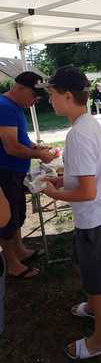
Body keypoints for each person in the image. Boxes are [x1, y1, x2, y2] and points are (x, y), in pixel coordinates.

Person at [41, 65, 101, 360]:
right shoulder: (87, 124)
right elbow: (87, 177)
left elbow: (87, 192)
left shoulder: (79, 135)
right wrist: (63, 180)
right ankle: (93, 308)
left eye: (52, 94)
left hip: (94, 217)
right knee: (88, 270)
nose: (50, 101)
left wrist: (52, 193)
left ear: (68, 95)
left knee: (98, 282)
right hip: (95, 216)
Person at [0, 72, 55, 279]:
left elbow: (20, 138)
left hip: (14, 172)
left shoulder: (13, 106)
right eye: (34, 96)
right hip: (4, 172)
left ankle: (20, 250)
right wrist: (39, 154)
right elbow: (11, 147)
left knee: (16, 214)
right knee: (6, 219)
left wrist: (34, 146)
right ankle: (12, 263)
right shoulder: (4, 107)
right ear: (20, 87)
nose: (34, 102)